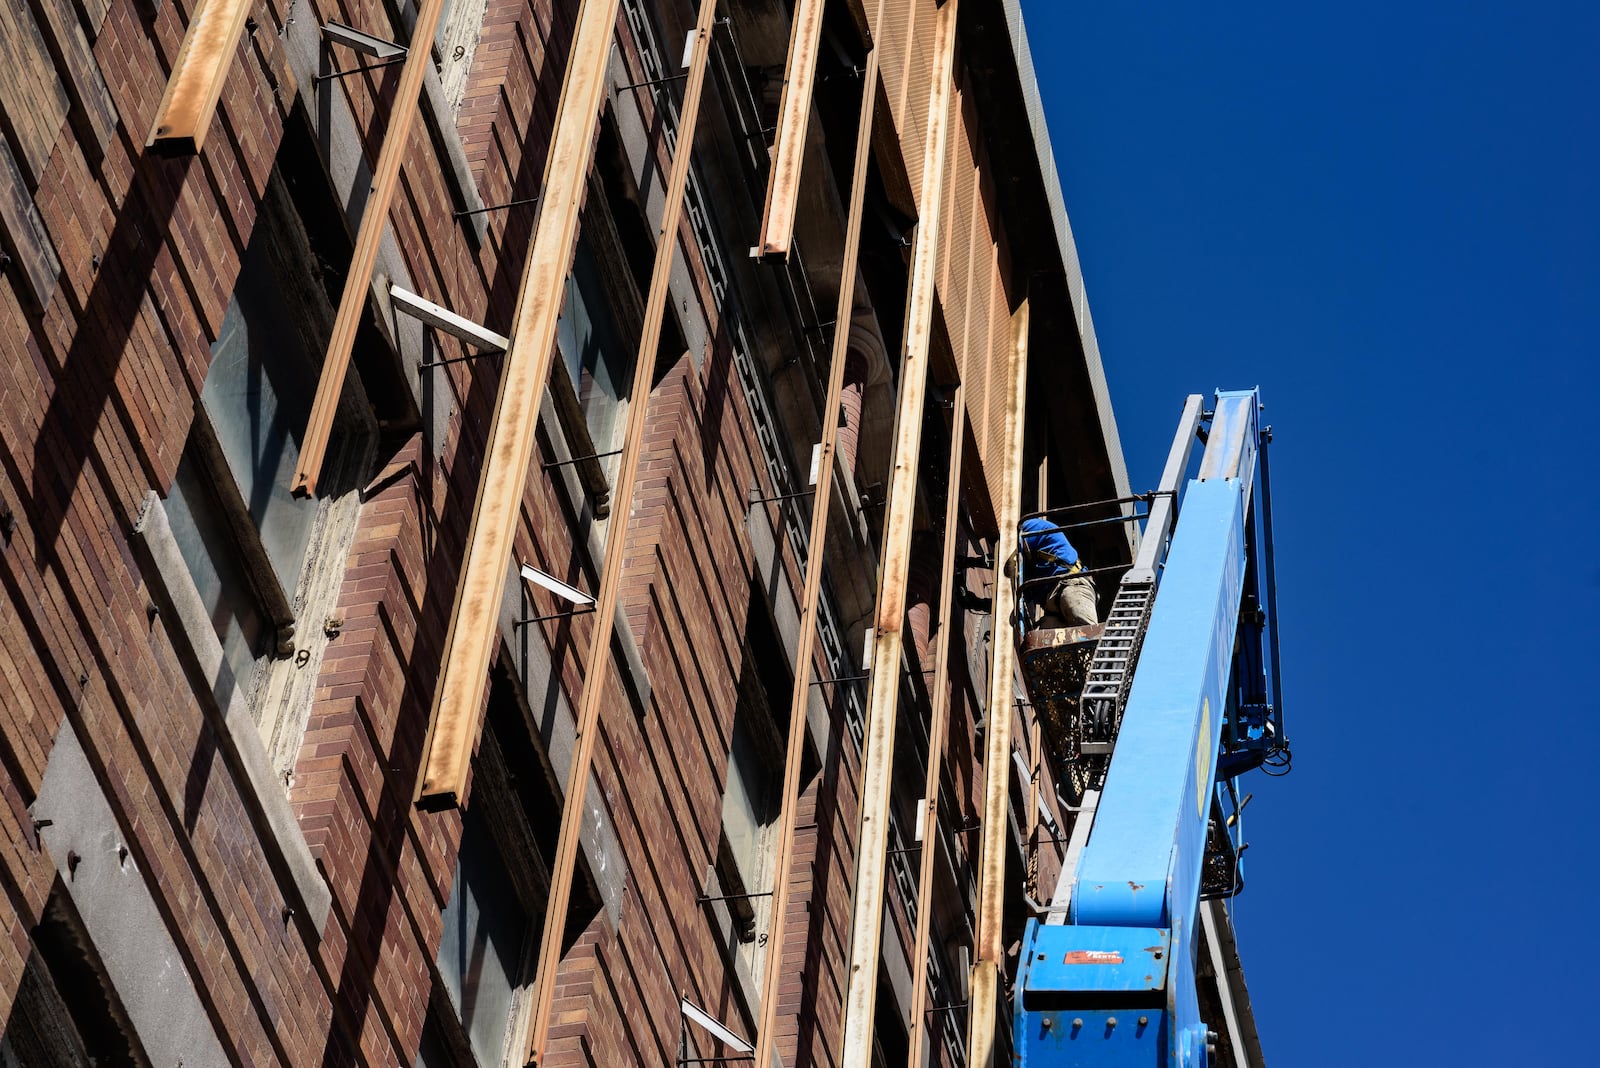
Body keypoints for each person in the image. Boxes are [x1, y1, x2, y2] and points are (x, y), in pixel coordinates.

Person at [1020, 516, 1098, 628]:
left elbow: (1017, 551)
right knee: (1041, 642)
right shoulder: (1032, 567)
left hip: (1072, 585)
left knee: (1087, 633)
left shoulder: (1031, 526)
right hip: (1052, 606)